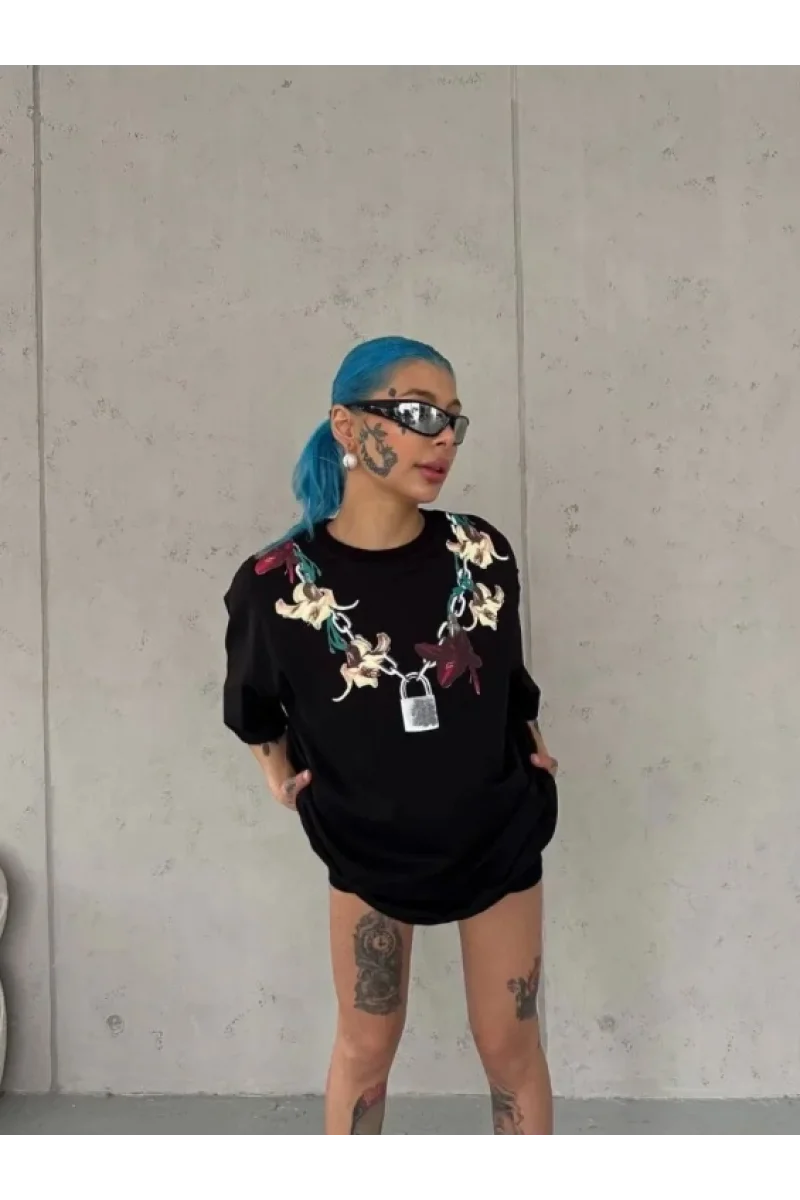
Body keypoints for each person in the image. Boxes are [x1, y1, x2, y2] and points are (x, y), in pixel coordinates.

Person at [223, 336, 558, 1135]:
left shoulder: (480, 551)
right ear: (346, 425)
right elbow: (255, 709)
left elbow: (509, 682)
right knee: (366, 1046)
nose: (442, 438)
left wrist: (534, 746)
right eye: (417, 413)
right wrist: (280, 777)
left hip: (496, 832)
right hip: (365, 840)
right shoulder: (276, 583)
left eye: (452, 419)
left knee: (510, 1044)